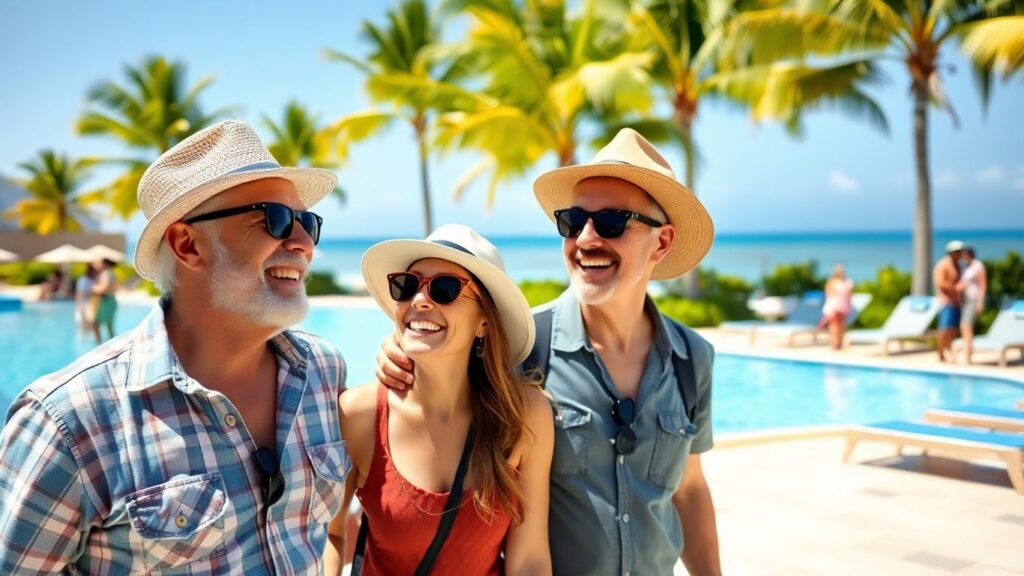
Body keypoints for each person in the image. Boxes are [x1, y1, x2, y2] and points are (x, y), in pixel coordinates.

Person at [0, 120, 349, 573]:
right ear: (188, 244)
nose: (303, 244)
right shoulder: (69, 424)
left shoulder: (323, 372)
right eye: (276, 219)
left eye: (309, 223)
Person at [378, 129, 721, 575]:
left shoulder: (692, 358)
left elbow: (689, 489)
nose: (586, 238)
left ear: (662, 242)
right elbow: (437, 363)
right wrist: (397, 351)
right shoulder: (521, 349)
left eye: (612, 222)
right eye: (573, 221)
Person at [324, 225, 553, 575]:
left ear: (484, 323)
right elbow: (328, 534)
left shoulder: (525, 416)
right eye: (408, 285)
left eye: (445, 289)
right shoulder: (358, 415)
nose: (419, 299)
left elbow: (530, 559)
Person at [934, 240, 964, 362]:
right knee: (944, 328)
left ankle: (949, 349)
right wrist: (956, 288)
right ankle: (940, 352)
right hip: (946, 302)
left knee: (953, 329)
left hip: (956, 302)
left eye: (960, 251)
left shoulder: (958, 265)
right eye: (958, 252)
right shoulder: (943, 265)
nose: (960, 254)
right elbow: (940, 282)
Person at [957, 246, 987, 364]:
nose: (962, 257)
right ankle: (968, 352)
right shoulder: (966, 266)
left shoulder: (978, 266)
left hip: (974, 300)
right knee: (964, 326)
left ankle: (968, 355)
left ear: (969, 254)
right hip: (965, 300)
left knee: (966, 325)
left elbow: (982, 285)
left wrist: (980, 302)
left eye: (964, 254)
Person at [818, 263, 854, 350]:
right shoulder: (832, 281)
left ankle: (839, 343)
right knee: (834, 325)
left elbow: (849, 295)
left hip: (843, 305)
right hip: (834, 305)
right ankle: (834, 343)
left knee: (840, 324)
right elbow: (829, 294)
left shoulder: (848, 281)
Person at [74, 262, 100, 340]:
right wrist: (79, 306)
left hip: (91, 303)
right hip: (85, 303)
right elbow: (79, 294)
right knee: (83, 326)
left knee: (90, 326)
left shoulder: (94, 279)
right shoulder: (83, 279)